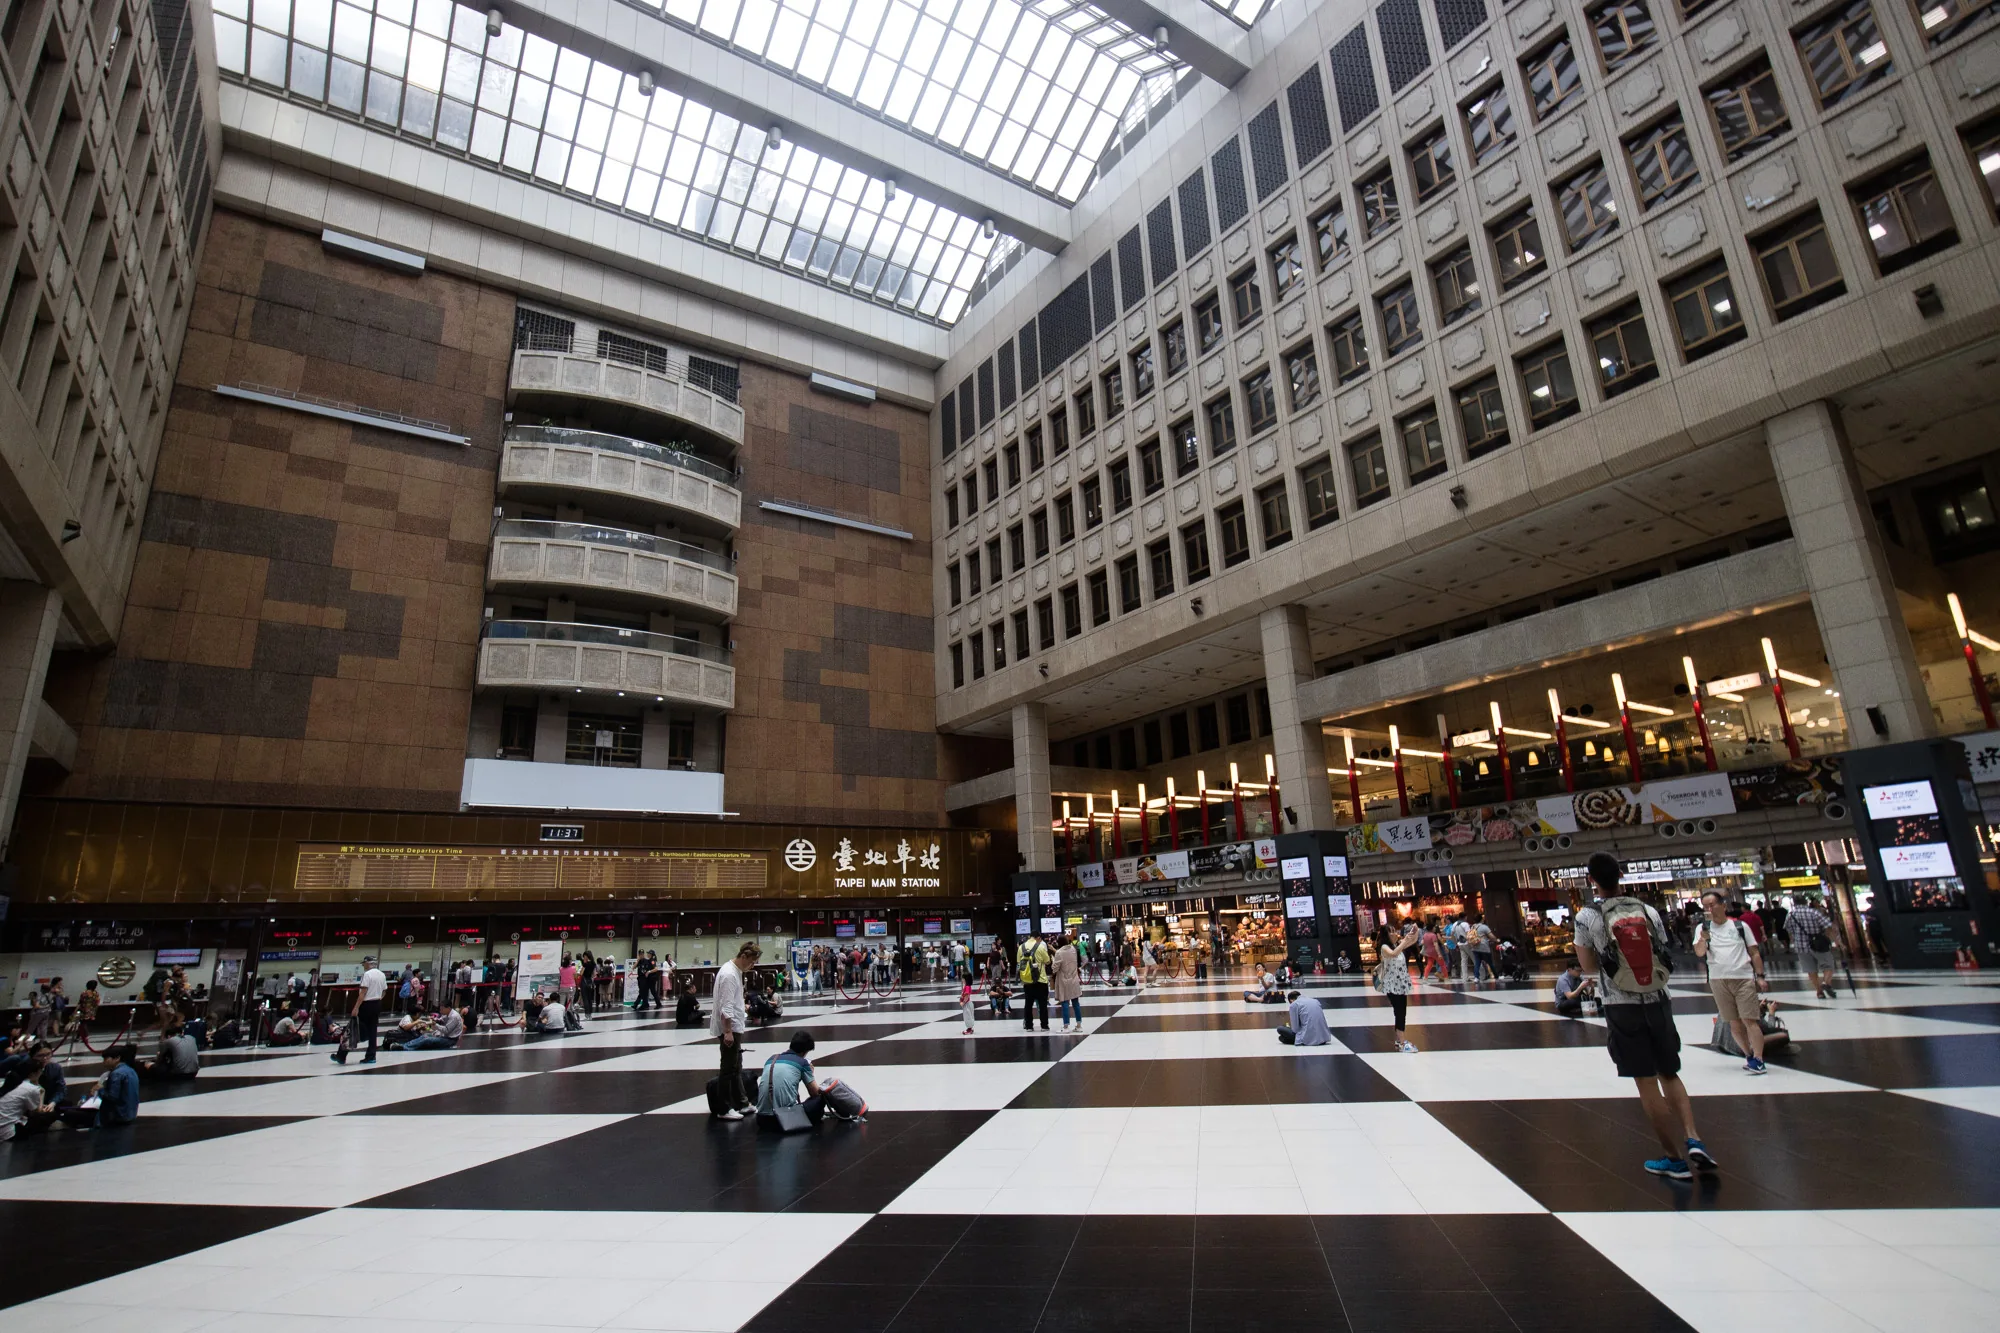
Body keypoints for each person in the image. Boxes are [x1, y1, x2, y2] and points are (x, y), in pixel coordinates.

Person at [1573, 852, 1716, 1181]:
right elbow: (1663, 952)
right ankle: (1694, 1138)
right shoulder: (1647, 910)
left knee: (1645, 1081)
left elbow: (1589, 967)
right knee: (1669, 1072)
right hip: (1659, 999)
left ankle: (1674, 1158)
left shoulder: (1587, 916)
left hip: (1621, 1005)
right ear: (1621, 875)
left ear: (1591, 880)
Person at [1695, 889, 1768, 1075]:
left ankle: (1759, 1059)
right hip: (1718, 979)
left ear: (1723, 905)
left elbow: (1754, 952)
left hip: (1743, 977)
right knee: (1733, 1022)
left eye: (1712, 905)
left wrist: (1760, 976)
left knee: (1749, 1019)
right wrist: (1703, 939)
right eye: (1705, 906)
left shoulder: (1739, 926)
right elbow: (1700, 953)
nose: (1709, 909)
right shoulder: (1702, 928)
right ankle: (1748, 1054)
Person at [711, 942, 760, 1120]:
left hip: (735, 1025)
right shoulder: (729, 975)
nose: (752, 965)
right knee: (728, 1068)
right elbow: (726, 1007)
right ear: (744, 957)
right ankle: (723, 1109)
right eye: (752, 962)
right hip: (730, 1027)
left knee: (736, 1066)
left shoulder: (734, 971)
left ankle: (742, 1102)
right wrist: (728, 1031)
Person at [61, 1044, 140, 1130]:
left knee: (70, 1114)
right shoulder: (131, 1070)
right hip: (130, 1113)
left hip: (117, 1116)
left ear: (117, 1058)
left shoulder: (116, 1074)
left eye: (106, 1059)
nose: (104, 1062)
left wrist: (100, 1090)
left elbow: (112, 1097)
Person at [1374, 923, 1419, 1052]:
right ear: (1386, 935)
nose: (1394, 933)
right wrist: (1404, 941)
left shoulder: (1397, 944)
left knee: (1402, 1012)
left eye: (1395, 931)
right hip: (1392, 985)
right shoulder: (1384, 947)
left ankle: (1400, 1040)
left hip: (1401, 983)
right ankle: (1402, 1041)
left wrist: (1414, 931)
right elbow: (1393, 954)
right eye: (1391, 931)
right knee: (1399, 1011)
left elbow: (1413, 940)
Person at [334, 955, 387, 1065]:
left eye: (364, 963)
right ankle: (371, 1056)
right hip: (377, 1004)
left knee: (351, 1028)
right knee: (373, 1031)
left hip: (366, 1005)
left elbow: (363, 993)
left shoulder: (367, 975)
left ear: (369, 963)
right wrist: (377, 999)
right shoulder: (382, 974)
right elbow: (384, 991)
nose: (363, 965)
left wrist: (356, 1007)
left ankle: (341, 1055)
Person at [1787, 895, 1841, 999]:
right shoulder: (1814, 912)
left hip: (1801, 947)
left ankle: (1819, 992)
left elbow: (1789, 930)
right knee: (1828, 965)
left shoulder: (1790, 915)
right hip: (1819, 944)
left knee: (1810, 969)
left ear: (1794, 903)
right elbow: (1828, 927)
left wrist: (1794, 942)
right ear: (1806, 902)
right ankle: (1826, 982)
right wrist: (1836, 942)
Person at [1017, 932, 1053, 1032]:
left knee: (1028, 1004)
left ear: (1029, 937)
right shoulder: (1040, 947)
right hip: (1041, 980)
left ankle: (1029, 1026)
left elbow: (1018, 963)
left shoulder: (1021, 947)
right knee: (1042, 1004)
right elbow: (1047, 961)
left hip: (1027, 980)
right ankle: (1044, 1026)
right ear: (1037, 938)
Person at [1050, 933, 1083, 1032]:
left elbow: (1055, 968)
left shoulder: (1059, 953)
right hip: (1074, 979)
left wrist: (1053, 960)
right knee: (1076, 1003)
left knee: (1064, 1002)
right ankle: (1079, 1025)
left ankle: (1066, 1026)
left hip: (1064, 980)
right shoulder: (1073, 949)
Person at [403, 1005, 467, 1051]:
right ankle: (404, 1046)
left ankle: (405, 1047)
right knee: (425, 1036)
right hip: (444, 1036)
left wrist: (434, 1025)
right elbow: (440, 1020)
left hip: (450, 1040)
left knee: (427, 1039)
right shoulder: (447, 1015)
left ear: (448, 1008)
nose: (440, 1011)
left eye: (442, 1009)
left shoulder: (454, 1017)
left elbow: (446, 1030)